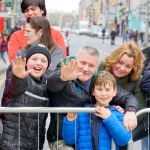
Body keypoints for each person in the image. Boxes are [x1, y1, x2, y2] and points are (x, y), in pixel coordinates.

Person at [47, 46, 138, 149]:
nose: (86, 69)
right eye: (83, 63)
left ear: (97, 67)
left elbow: (127, 97)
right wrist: (62, 77)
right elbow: (50, 85)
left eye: (91, 65)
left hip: (85, 141)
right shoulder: (66, 72)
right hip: (61, 137)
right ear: (76, 60)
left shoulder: (98, 82)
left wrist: (130, 111)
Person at [62, 71, 131, 150]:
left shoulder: (118, 113)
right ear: (93, 91)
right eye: (99, 89)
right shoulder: (82, 112)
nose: (103, 94)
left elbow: (123, 140)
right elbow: (69, 140)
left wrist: (109, 118)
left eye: (107, 90)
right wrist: (70, 122)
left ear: (114, 92)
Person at [0, 43, 51, 150]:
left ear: (48, 65)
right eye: (34, 59)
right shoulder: (17, 75)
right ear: (26, 62)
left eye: (43, 60)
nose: (38, 63)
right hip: (10, 145)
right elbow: (15, 87)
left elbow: (41, 125)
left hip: (33, 145)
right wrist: (18, 77)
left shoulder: (46, 85)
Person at [99, 41, 146, 150]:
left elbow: (140, 108)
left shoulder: (137, 80)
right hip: (96, 128)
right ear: (114, 58)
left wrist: (126, 113)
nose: (122, 68)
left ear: (134, 67)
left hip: (119, 133)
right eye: (120, 62)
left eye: (128, 66)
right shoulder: (101, 68)